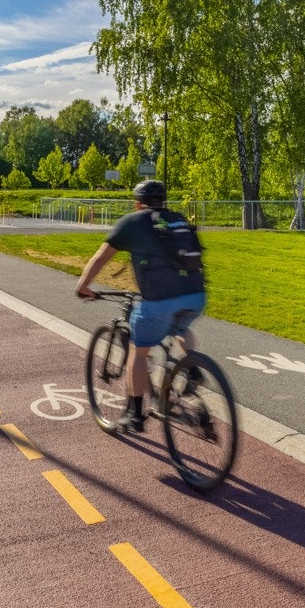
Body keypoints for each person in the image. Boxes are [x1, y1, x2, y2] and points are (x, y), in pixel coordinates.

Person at [75, 179, 205, 433]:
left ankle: (134, 416)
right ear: (163, 201)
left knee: (138, 349)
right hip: (196, 296)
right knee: (178, 327)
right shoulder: (177, 218)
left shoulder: (132, 222)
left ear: (137, 203)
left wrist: (83, 286)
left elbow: (100, 258)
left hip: (159, 301)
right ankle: (191, 369)